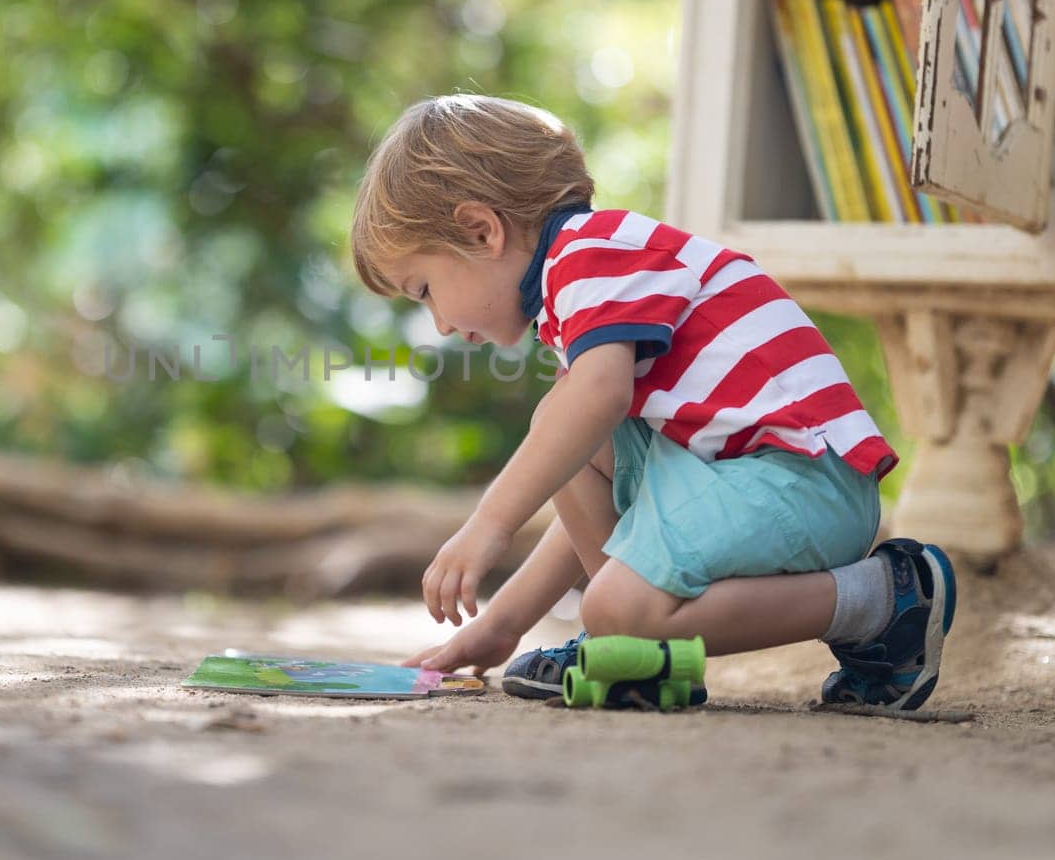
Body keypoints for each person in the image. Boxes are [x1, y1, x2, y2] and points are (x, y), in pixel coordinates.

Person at [349, 94, 956, 709]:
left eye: (425, 290)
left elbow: (599, 397)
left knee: (576, 440)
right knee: (566, 430)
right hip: (749, 473)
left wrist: (489, 526)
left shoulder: (590, 254)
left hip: (802, 478)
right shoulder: (586, 274)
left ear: (482, 230)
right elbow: (590, 462)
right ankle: (632, 645)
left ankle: (882, 601)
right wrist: (503, 624)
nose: (441, 324)